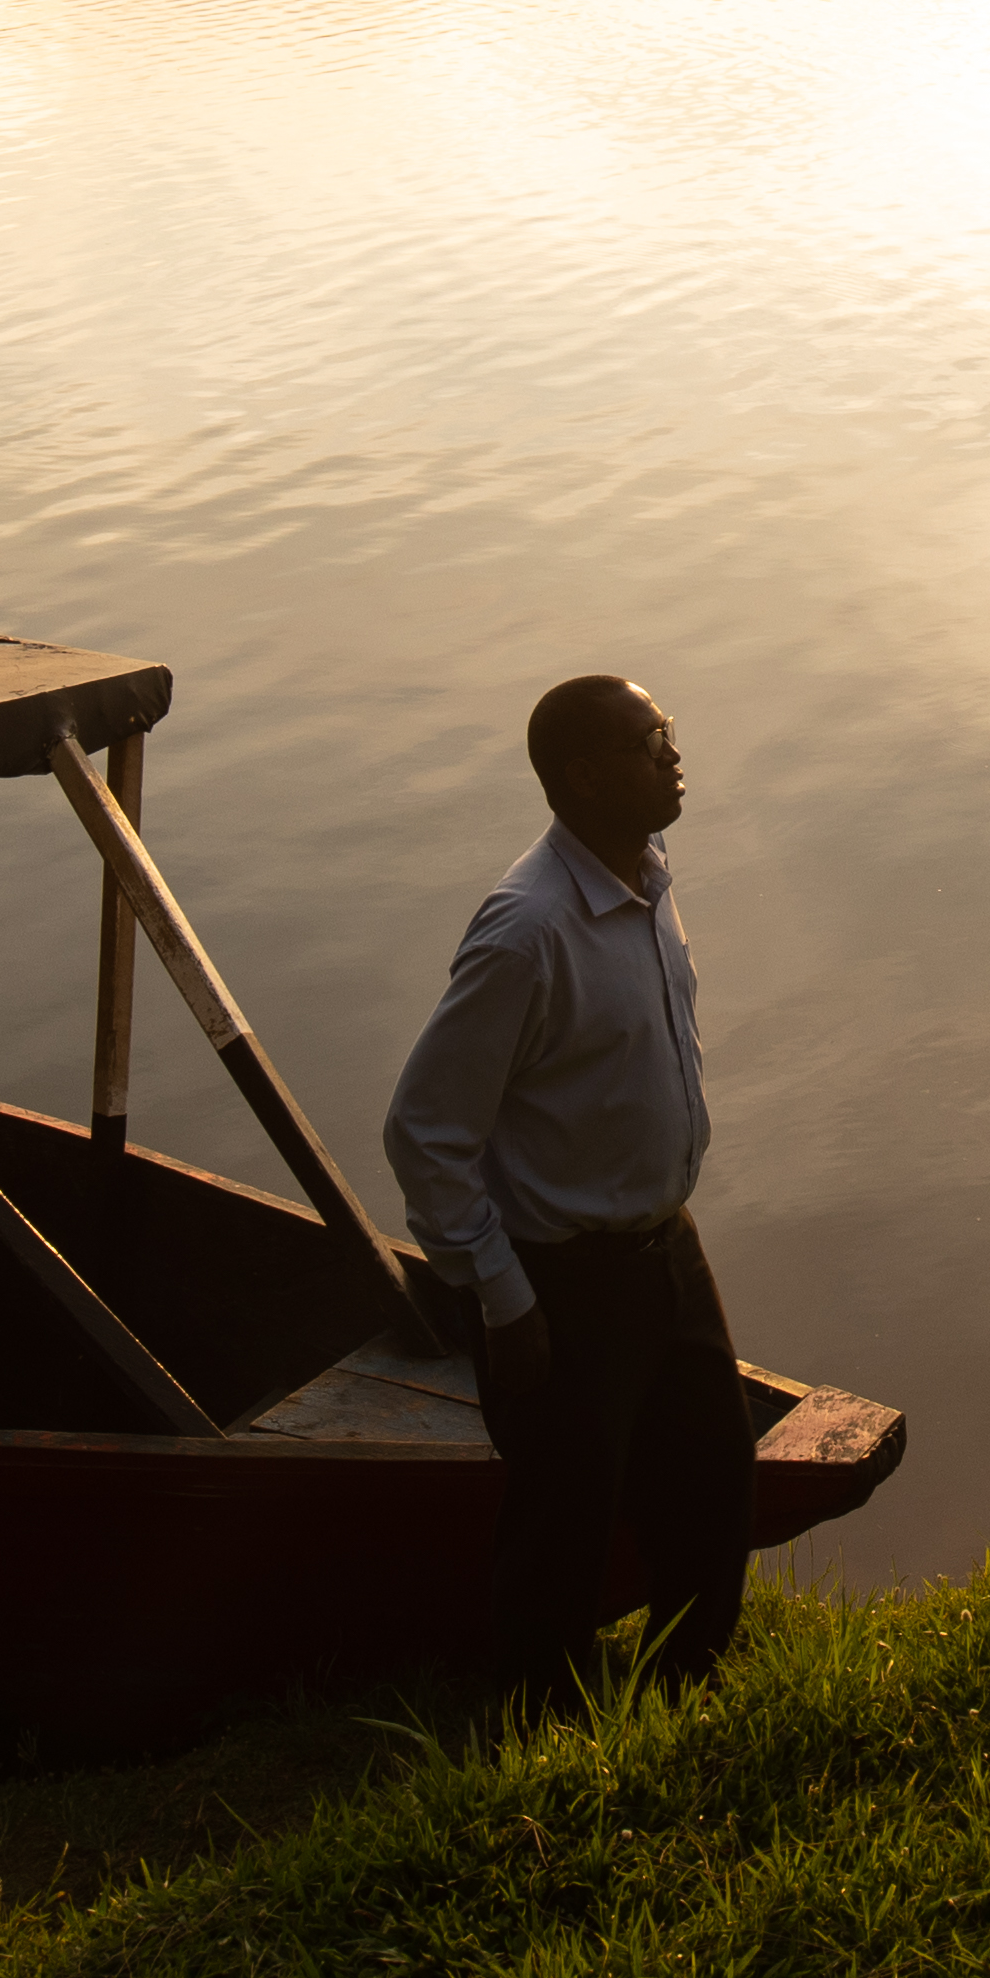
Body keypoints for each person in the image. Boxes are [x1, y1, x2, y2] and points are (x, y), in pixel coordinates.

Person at [382, 673, 756, 1708]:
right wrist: (502, 1294)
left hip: (665, 1251)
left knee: (715, 1489)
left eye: (668, 731)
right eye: (651, 740)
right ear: (586, 776)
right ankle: (544, 1742)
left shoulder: (647, 880)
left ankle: (687, 1703)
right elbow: (425, 1132)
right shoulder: (526, 931)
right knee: (564, 1526)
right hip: (562, 1283)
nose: (673, 753)